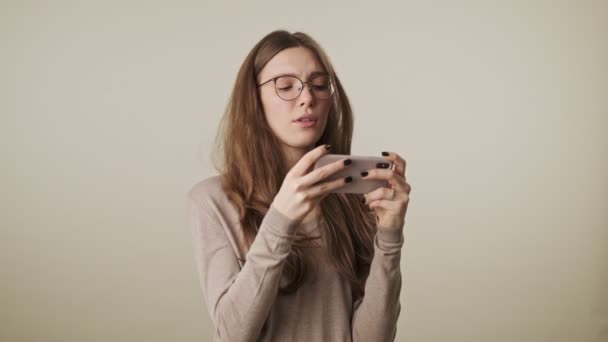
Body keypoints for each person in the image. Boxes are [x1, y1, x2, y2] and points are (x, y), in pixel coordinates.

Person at [187, 29, 412, 342]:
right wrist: (280, 219)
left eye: (319, 86)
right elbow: (232, 335)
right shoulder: (213, 200)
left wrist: (390, 239)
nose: (307, 98)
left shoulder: (350, 198)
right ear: (254, 99)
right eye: (286, 86)